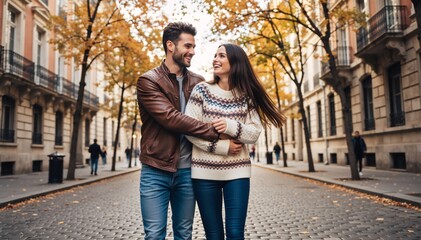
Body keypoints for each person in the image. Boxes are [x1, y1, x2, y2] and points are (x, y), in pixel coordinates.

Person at [136, 22, 241, 240]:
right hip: (156, 169)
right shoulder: (148, 81)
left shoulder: (198, 82)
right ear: (170, 46)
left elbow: (216, 111)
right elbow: (170, 118)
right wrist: (214, 131)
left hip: (188, 171)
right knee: (154, 234)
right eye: (188, 46)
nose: (192, 51)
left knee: (184, 234)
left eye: (194, 46)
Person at [185, 43, 285, 239]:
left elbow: (254, 133)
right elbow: (190, 130)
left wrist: (230, 127)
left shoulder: (246, 96)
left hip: (237, 172)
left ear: (235, 61)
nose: (215, 59)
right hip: (204, 173)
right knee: (214, 235)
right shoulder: (201, 90)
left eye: (221, 55)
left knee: (235, 233)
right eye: (215, 55)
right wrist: (223, 146)